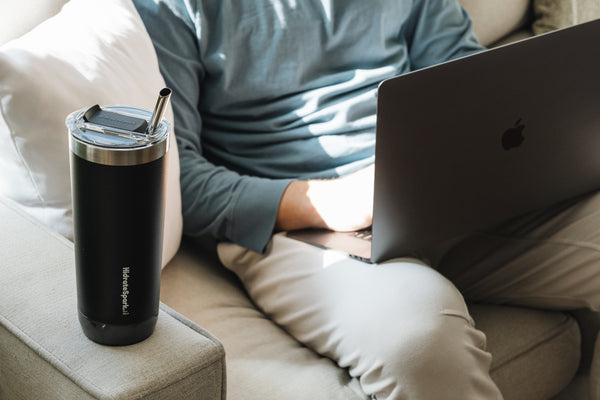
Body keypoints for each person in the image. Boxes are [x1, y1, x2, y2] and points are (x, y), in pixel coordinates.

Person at [133, 1, 600, 399]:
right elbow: (177, 180)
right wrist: (324, 201)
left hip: (439, 189)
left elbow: (467, 77)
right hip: (296, 222)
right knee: (420, 342)